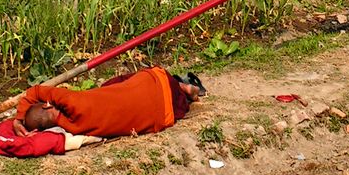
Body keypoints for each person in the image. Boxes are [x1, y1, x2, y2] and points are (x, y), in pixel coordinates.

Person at [12, 67, 205, 139]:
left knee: (111, 90)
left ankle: (183, 92)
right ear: (47, 105)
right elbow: (36, 90)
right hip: (155, 84)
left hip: (162, 114)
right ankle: (183, 87)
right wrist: (19, 116)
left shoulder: (76, 127)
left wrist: (24, 121)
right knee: (114, 84)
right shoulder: (71, 101)